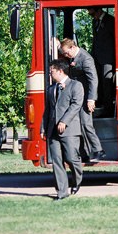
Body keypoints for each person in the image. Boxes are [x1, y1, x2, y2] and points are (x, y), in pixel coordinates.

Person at [40, 59, 84, 201]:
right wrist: (43, 128)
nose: (50, 74)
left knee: (71, 158)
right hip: (53, 130)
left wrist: (64, 121)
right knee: (57, 161)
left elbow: (76, 105)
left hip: (70, 130)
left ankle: (77, 181)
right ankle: (61, 192)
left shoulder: (76, 86)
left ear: (60, 71)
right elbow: (48, 111)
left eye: (52, 71)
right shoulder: (51, 89)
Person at [59, 38, 106, 163]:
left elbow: (93, 80)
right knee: (78, 125)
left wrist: (91, 99)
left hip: (86, 97)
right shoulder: (73, 58)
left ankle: (98, 150)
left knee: (86, 124)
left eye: (66, 53)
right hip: (78, 95)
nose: (65, 55)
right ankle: (84, 153)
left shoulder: (86, 59)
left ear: (73, 47)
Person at [88, 6, 115, 116]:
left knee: (107, 81)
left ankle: (108, 109)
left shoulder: (110, 20)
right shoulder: (95, 22)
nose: (92, 16)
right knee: (97, 81)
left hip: (108, 58)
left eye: (92, 13)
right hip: (97, 58)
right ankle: (100, 104)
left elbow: (117, 37)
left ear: (99, 10)